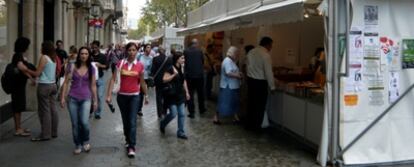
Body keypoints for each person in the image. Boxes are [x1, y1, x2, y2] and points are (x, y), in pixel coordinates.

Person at [106, 42, 148, 158]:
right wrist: (109, 95)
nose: (131, 52)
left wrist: (146, 95)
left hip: (135, 96)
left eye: (134, 50)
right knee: (125, 121)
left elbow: (142, 82)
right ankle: (127, 138)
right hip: (122, 97)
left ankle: (132, 146)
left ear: (137, 51)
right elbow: (113, 79)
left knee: (132, 121)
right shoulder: (120, 63)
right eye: (129, 50)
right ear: (126, 51)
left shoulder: (140, 65)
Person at [60, 47, 97, 154]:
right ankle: (77, 144)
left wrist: (95, 101)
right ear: (79, 55)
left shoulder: (91, 68)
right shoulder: (71, 66)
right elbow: (66, 83)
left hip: (86, 98)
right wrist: (63, 97)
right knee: (75, 124)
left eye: (86, 53)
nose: (84, 55)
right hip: (72, 98)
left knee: (84, 122)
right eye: (82, 53)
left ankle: (85, 141)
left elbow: (93, 85)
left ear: (89, 55)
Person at [24, 41, 59, 141]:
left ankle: (45, 134)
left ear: (45, 48)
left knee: (44, 111)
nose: (40, 48)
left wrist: (25, 69)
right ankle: (54, 132)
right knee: (53, 109)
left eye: (41, 47)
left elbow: (37, 73)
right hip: (53, 85)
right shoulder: (54, 58)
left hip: (44, 86)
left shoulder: (44, 57)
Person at [245, 37, 276, 130]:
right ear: (267, 45)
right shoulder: (266, 55)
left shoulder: (251, 52)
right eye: (271, 45)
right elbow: (268, 72)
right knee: (259, 106)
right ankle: (256, 126)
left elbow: (247, 66)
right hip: (260, 83)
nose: (271, 47)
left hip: (250, 81)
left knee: (251, 103)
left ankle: (248, 124)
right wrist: (272, 86)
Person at [160, 51, 190, 140]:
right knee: (173, 114)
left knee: (182, 114)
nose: (184, 60)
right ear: (177, 59)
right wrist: (174, 74)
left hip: (180, 94)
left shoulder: (182, 68)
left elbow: (184, 81)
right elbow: (164, 79)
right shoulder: (170, 68)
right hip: (171, 95)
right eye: (182, 58)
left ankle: (181, 132)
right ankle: (163, 123)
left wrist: (187, 92)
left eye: (184, 58)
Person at [10, 37, 36, 137]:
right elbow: (21, 67)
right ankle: (18, 129)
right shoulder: (18, 56)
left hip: (18, 84)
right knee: (17, 106)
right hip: (17, 85)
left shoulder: (18, 55)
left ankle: (19, 127)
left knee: (19, 106)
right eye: (27, 46)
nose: (28, 48)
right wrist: (31, 75)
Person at [213, 46, 242, 125]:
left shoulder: (231, 61)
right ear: (233, 53)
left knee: (233, 102)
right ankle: (216, 117)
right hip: (228, 86)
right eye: (237, 54)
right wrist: (238, 76)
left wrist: (238, 74)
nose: (237, 55)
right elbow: (228, 73)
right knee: (224, 102)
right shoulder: (227, 61)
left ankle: (236, 117)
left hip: (232, 86)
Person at [184, 39, 206, 118]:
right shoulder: (200, 51)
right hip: (199, 75)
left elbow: (184, 62)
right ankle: (202, 109)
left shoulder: (186, 51)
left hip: (189, 76)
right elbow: (202, 62)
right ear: (196, 44)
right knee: (201, 93)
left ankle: (192, 112)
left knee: (190, 94)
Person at [151, 48, 172, 118]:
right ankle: (165, 111)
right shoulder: (169, 59)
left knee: (159, 96)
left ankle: (159, 113)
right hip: (166, 79)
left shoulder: (155, 59)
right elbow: (170, 70)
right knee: (166, 96)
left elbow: (153, 70)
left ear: (158, 51)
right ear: (165, 51)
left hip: (158, 80)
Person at [91, 40, 108, 119]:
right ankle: (90, 109)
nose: (94, 49)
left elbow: (107, 66)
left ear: (98, 47)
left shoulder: (103, 56)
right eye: (93, 47)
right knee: (91, 96)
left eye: (96, 47)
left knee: (99, 96)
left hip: (100, 79)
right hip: (90, 79)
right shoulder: (89, 55)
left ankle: (97, 113)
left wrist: (100, 65)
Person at [136, 44, 153, 116]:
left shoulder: (151, 58)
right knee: (137, 93)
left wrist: (148, 74)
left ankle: (139, 109)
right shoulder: (139, 56)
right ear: (145, 48)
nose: (149, 49)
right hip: (137, 77)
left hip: (145, 78)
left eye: (150, 48)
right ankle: (135, 107)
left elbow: (150, 69)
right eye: (148, 47)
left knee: (141, 94)